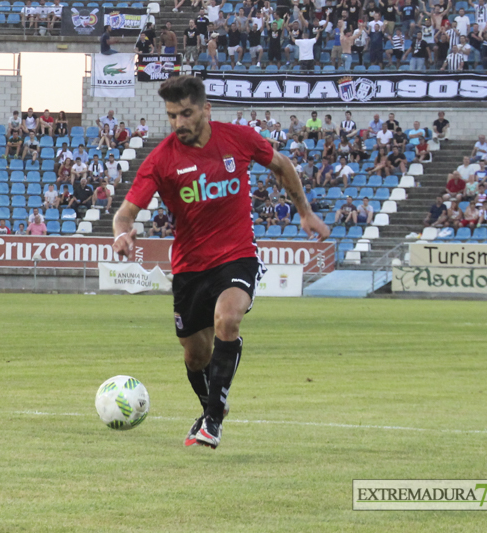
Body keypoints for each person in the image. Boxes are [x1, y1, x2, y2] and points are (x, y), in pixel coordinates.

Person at [112, 76, 329, 449]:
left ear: (206, 109)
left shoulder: (238, 138)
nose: (179, 123)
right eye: (172, 116)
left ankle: (212, 421)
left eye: (186, 113)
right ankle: (210, 407)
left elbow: (282, 164)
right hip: (189, 267)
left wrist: (304, 212)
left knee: (228, 319)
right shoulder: (162, 159)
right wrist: (121, 234)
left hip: (237, 255)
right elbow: (125, 213)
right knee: (196, 357)